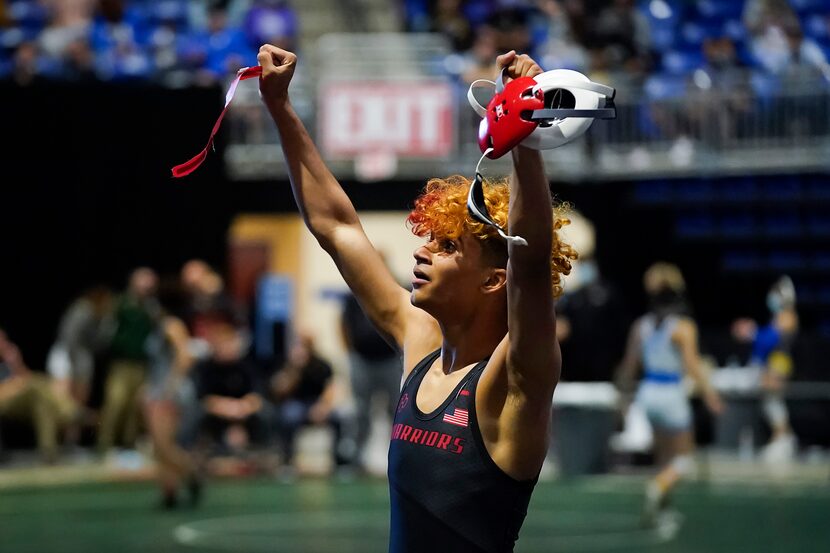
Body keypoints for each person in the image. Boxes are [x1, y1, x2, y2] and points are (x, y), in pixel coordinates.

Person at [258, 44, 576, 552]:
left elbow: (530, 263)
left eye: (449, 247)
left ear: (495, 280)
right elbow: (336, 227)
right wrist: (279, 105)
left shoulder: (515, 378)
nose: (423, 253)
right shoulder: (421, 345)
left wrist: (525, 136)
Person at [615, 262, 723, 526]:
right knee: (684, 460)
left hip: (647, 394)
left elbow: (628, 367)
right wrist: (711, 395)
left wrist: (623, 397)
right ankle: (658, 489)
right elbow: (693, 366)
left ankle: (663, 512)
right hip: (671, 394)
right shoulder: (683, 327)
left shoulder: (641, 326)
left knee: (663, 458)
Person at [142, 279, 202, 509]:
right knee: (159, 446)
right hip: (158, 389)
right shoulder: (160, 325)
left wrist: (169, 387)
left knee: (164, 446)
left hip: (169, 393)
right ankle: (169, 491)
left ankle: (192, 474)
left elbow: (184, 356)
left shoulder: (171, 324)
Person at [731, 275, 799, 463]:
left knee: (772, 399)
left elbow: (771, 339)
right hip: (770, 362)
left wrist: (751, 331)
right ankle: (783, 437)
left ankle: (783, 437)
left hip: (780, 362)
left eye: (776, 295)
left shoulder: (788, 316)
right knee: (768, 401)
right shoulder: (777, 317)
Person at [97, 267, 159, 455]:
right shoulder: (120, 304)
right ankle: (104, 445)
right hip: (121, 364)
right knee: (115, 402)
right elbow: (106, 332)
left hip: (142, 364)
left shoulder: (151, 307)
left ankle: (129, 445)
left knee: (135, 407)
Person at [270, 331, 351, 475]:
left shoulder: (322, 365)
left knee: (340, 417)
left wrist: (323, 407)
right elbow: (280, 391)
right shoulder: (287, 364)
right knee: (288, 415)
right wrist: (294, 370)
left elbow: (330, 388)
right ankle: (287, 461)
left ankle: (339, 461)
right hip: (297, 404)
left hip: (317, 404)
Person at [0, 329, 78, 464]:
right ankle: (70, 411)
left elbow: (23, 376)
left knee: (41, 402)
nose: (3, 343)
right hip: (4, 401)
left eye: (3, 339)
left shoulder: (9, 355)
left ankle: (49, 454)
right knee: (37, 384)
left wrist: (13, 361)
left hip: (19, 399)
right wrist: (15, 386)